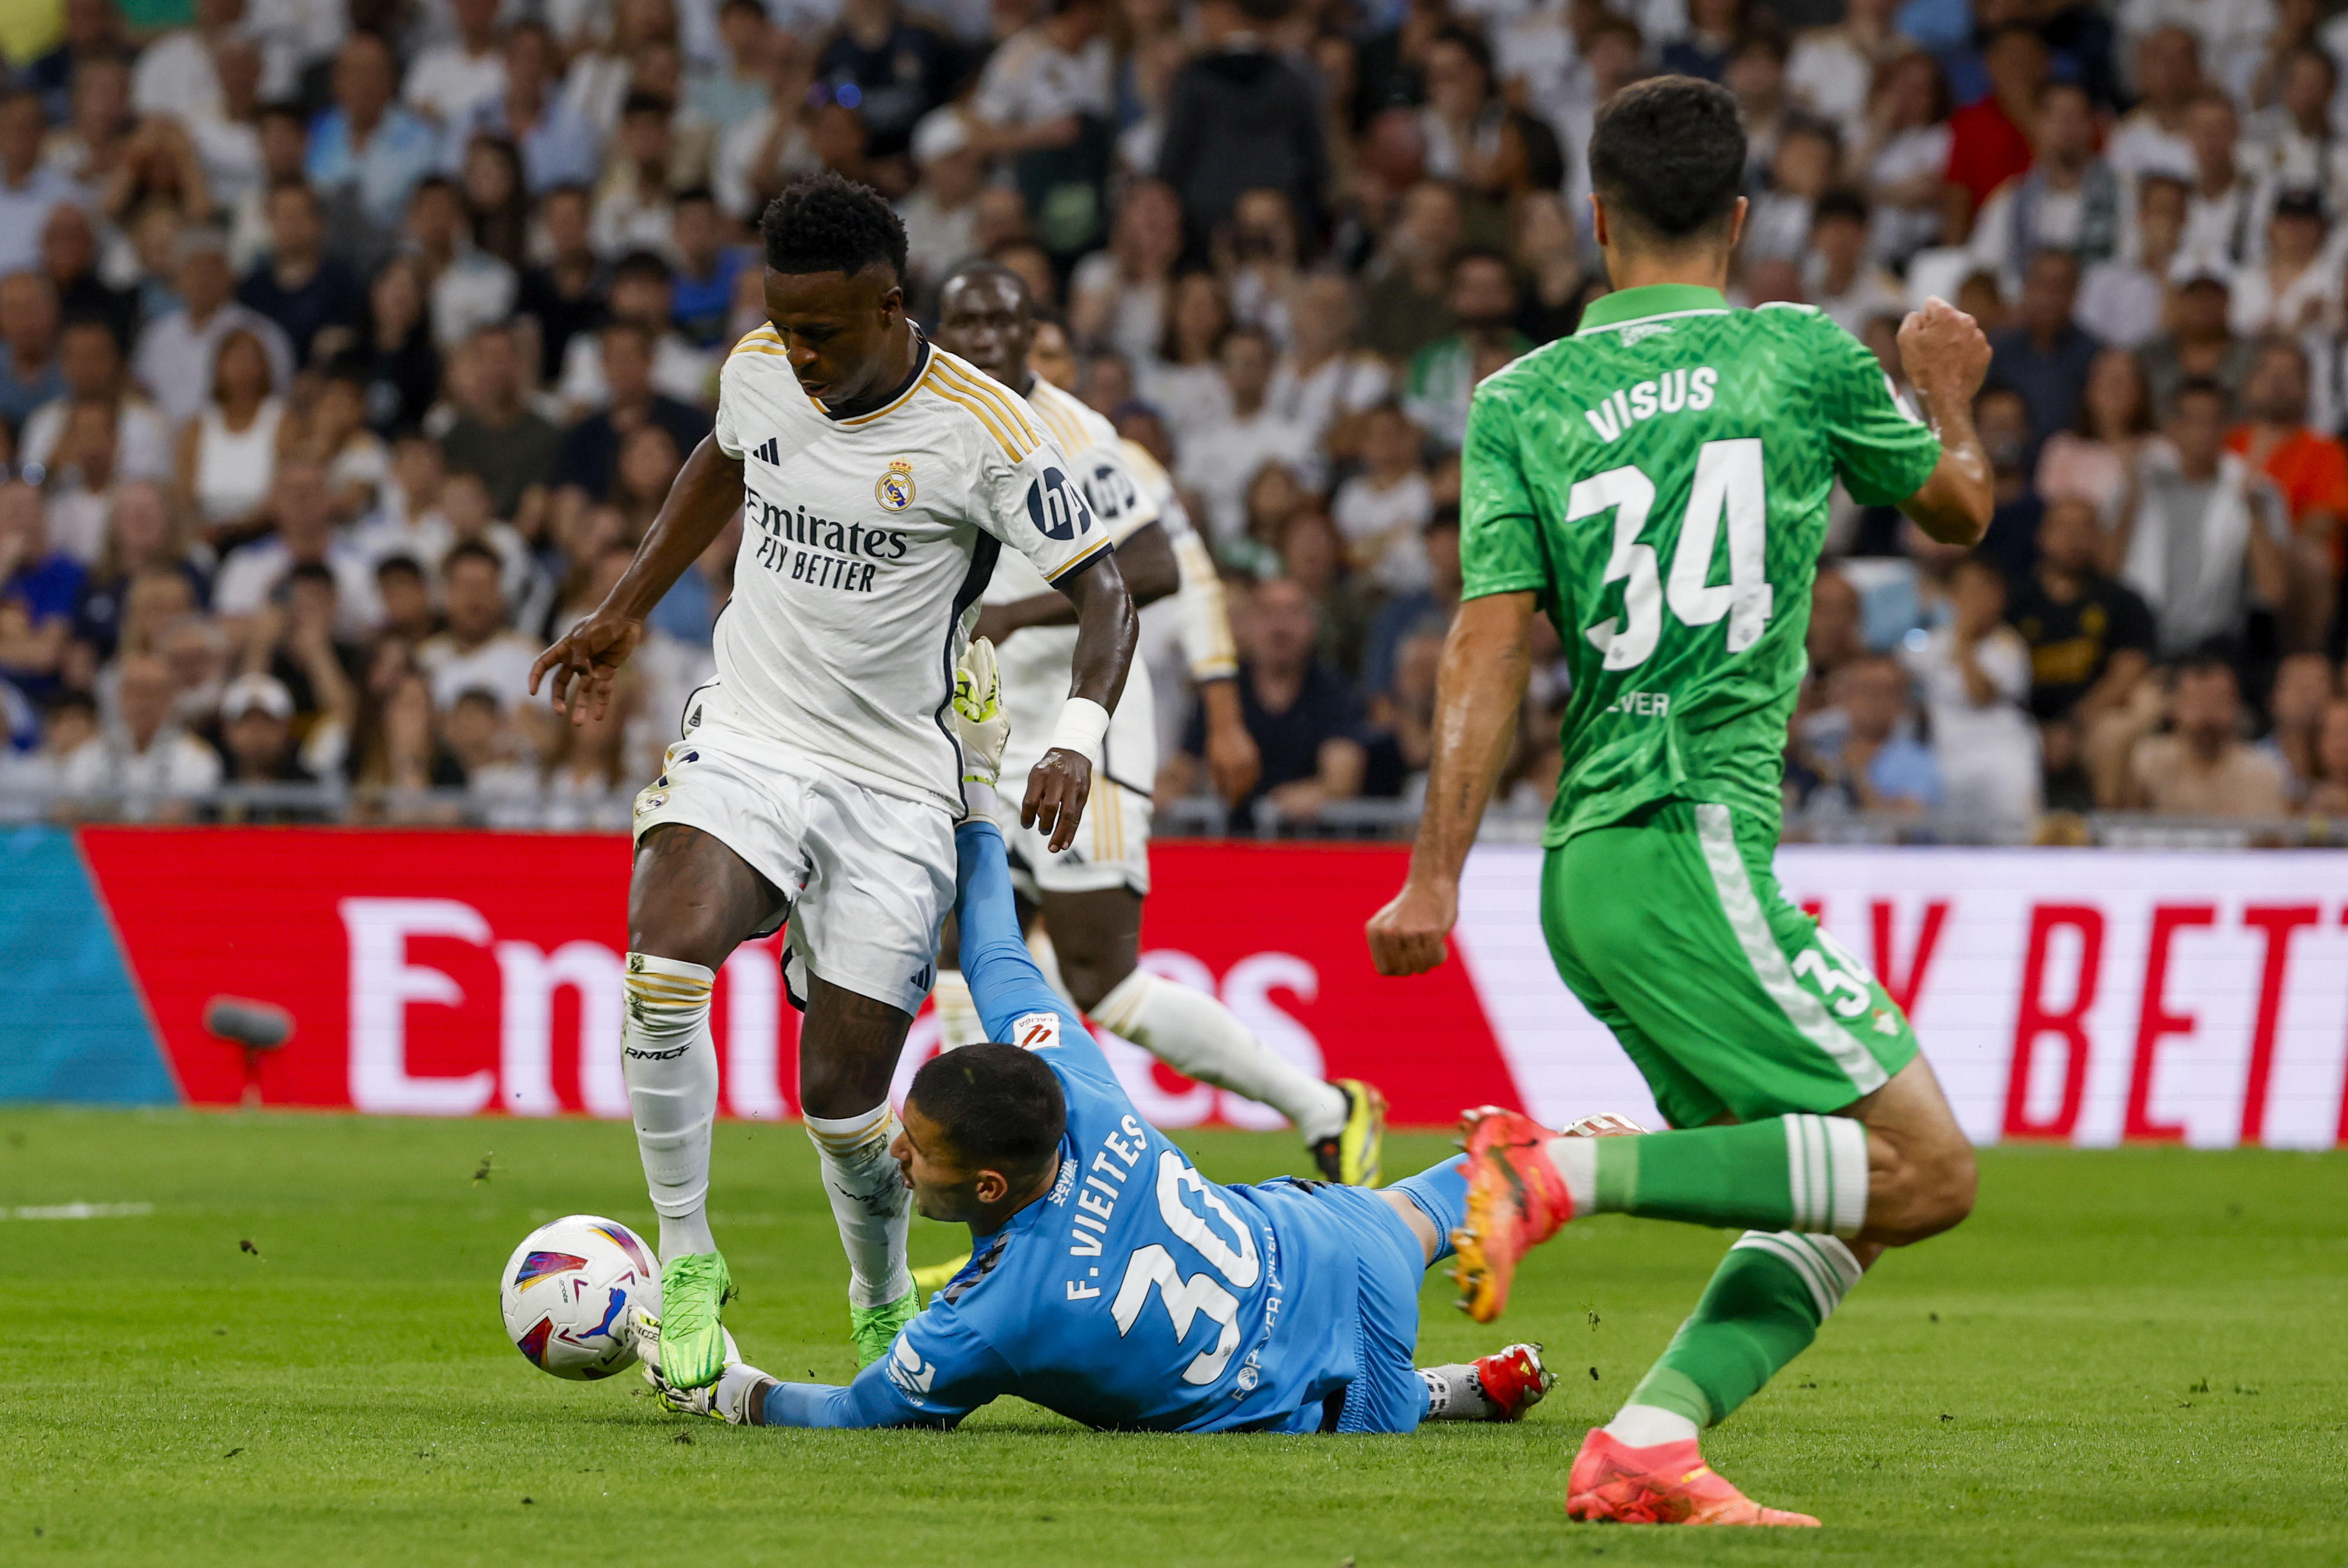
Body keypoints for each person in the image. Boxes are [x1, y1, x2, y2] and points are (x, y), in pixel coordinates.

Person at [1365, 77, 1992, 1528]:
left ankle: (1647, 1439)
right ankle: (1551, 1164)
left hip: (1587, 865)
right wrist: (1944, 391)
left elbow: (1488, 639)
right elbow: (1957, 509)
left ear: (1593, 221)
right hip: (1696, 836)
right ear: (1739, 217)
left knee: (1849, 1188)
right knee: (1931, 1169)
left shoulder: (1520, 396)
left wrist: (1434, 874)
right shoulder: (1798, 355)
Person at [528, 173, 1137, 1393]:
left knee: (848, 1111)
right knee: (664, 964)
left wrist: (1073, 733)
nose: (797, 353)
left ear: (889, 302)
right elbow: (722, 457)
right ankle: (688, 1253)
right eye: (782, 323)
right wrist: (619, 611)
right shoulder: (760, 368)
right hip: (750, 732)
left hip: (894, 783)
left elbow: (1104, 587)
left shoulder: (990, 429)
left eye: (823, 330)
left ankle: (875, 1295)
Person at [642, 658, 1561, 1432]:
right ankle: (1587, 1154)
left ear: (988, 1187)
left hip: (1317, 1397)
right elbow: (999, 951)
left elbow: (849, 1416)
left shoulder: (991, 1318)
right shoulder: (1076, 1086)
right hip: (1343, 1246)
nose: (896, 1158)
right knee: (1470, 1188)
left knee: (1314, 1406)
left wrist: (718, 1387)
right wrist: (975, 798)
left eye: (918, 1152)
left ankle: (1436, 1391)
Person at [929, 260, 1378, 1188]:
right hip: (973, 733)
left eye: (999, 322)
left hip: (1074, 731)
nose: (980, 337)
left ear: (1029, 335)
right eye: (962, 320)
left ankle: (1323, 1106)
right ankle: (1000, 1176)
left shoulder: (1075, 433)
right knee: (959, 953)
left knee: (1104, 983)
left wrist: (1019, 617)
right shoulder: (933, 420)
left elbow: (1158, 568)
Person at [2009, 497, 2156, 809]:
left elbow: (2128, 672)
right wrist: (2039, 732)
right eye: (2064, 528)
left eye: (2085, 528)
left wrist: (2073, 727)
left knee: (2114, 735)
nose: (2073, 538)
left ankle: (2107, 841)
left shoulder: (2123, 601)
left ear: (2099, 537)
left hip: (2092, 721)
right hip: (2025, 724)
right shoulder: (2015, 603)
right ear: (2042, 535)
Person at [1902, 553, 2041, 823]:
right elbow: (1897, 676)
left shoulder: (2008, 645)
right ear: (1952, 596)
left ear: (1999, 598)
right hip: (1947, 758)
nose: (1974, 600)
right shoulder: (1931, 643)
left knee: (2015, 837)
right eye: (1966, 591)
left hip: (2003, 758)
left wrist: (1963, 640)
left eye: (1983, 591)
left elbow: (1980, 694)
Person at [2124, 655, 2289, 816]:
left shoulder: (2263, 772)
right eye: (2197, 702)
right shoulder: (2149, 760)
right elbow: (2117, 818)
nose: (2207, 715)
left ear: (2236, 706)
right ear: (2175, 705)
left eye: (2217, 701)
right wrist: (2140, 721)